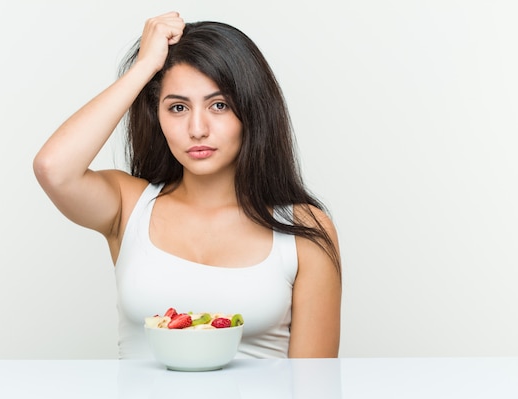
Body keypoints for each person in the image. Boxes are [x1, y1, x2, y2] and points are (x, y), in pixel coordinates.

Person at [33, 11, 342, 359]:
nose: (197, 128)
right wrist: (144, 68)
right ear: (157, 115)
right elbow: (53, 168)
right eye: (177, 107)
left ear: (252, 111)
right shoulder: (129, 206)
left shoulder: (303, 228)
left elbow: (315, 389)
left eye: (219, 105)